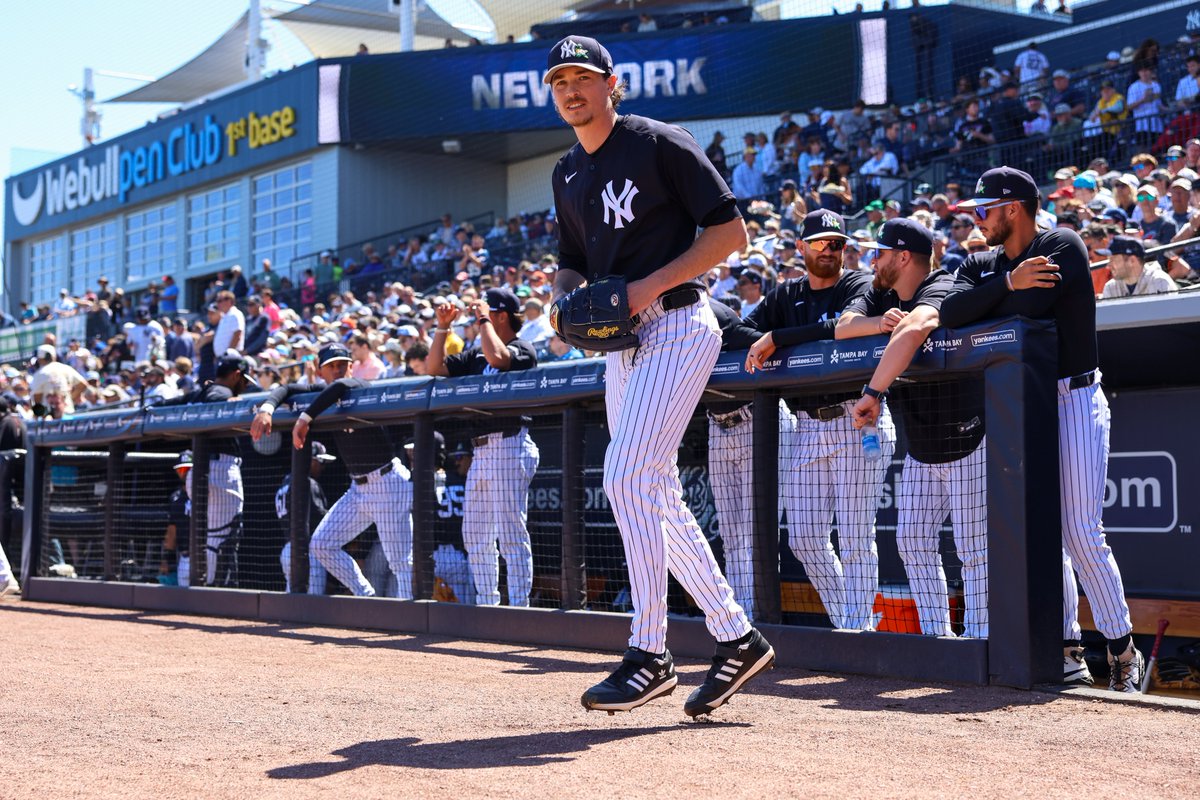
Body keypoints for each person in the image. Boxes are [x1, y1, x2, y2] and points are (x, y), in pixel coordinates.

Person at [545, 35, 772, 717]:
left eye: (583, 78)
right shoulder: (565, 173)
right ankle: (735, 636)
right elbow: (569, 259)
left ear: (611, 84)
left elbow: (732, 234)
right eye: (559, 81)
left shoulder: (657, 142)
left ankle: (651, 652)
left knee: (625, 477)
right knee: (653, 494)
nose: (571, 90)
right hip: (623, 344)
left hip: (676, 322)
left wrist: (645, 287)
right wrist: (564, 303)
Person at [941, 167, 1144, 692]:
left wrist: (994, 297)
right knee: (1042, 532)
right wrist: (1006, 283)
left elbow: (1028, 307)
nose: (976, 221)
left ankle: (1121, 646)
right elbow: (951, 313)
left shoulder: (1063, 244)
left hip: (1074, 396)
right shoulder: (989, 262)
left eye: (984, 210)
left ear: (1013, 209)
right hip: (1024, 406)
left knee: (1079, 530)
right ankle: (1069, 648)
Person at [840, 219, 988, 639]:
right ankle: (937, 638)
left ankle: (981, 641)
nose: (873, 260)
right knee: (912, 540)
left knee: (974, 551)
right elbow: (842, 327)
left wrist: (873, 391)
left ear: (904, 257)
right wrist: (875, 324)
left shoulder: (942, 284)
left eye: (881, 253)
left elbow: (916, 326)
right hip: (922, 447)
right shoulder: (884, 293)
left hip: (965, 439)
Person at [745, 210, 886, 631]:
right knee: (805, 539)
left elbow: (838, 328)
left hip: (859, 420)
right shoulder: (785, 296)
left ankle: (858, 631)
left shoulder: (858, 283)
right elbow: (741, 331)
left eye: (837, 243)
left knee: (857, 538)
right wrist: (763, 337)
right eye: (821, 242)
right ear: (801, 247)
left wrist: (779, 338)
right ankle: (852, 620)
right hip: (808, 425)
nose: (830, 250)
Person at [251, 344, 414, 598]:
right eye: (331, 366)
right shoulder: (321, 394)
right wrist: (266, 408)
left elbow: (341, 387)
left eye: (342, 364)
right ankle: (366, 597)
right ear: (320, 372)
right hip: (358, 488)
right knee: (322, 544)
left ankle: (411, 622)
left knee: (400, 562)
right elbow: (288, 388)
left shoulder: (358, 385)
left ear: (352, 366)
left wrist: (305, 419)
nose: (337, 370)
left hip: (388, 481)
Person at [427, 287, 540, 608]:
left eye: (488, 313)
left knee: (510, 534)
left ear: (500, 316)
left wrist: (481, 318)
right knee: (475, 535)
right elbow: (434, 368)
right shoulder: (475, 354)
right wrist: (442, 328)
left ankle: (519, 608)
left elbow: (499, 358)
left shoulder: (524, 347)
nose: (480, 319)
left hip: (510, 442)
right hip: (482, 450)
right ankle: (487, 604)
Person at [161, 355, 260, 587]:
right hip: (221, 469)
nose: (245, 386)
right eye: (243, 381)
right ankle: (215, 593)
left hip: (201, 470)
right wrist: (232, 399)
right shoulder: (220, 392)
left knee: (211, 537)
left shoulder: (198, 392)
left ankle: (205, 589)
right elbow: (218, 399)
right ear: (236, 375)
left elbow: (168, 405)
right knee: (224, 537)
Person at [276, 441, 335, 595]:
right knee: (313, 605)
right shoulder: (308, 483)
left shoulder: (286, 481)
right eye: (321, 462)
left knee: (292, 603)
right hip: (307, 552)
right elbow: (320, 517)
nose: (323, 467)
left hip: (288, 550)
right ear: (310, 459)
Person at [1100, 235, 1178, 297]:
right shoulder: (1110, 287)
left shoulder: (1159, 281)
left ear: (1132, 260)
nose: (1108, 266)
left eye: (1113, 260)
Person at [158, 452, 192, 587]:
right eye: (181, 469)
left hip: (207, 554)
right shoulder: (176, 498)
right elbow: (172, 531)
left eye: (188, 469)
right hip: (185, 556)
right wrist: (166, 559)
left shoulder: (207, 492)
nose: (184, 473)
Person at [212, 290, 245, 356]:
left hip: (231, 358)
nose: (217, 304)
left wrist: (229, 354)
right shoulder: (225, 316)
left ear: (229, 301)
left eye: (219, 301)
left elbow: (237, 334)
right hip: (223, 358)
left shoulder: (235, 314)